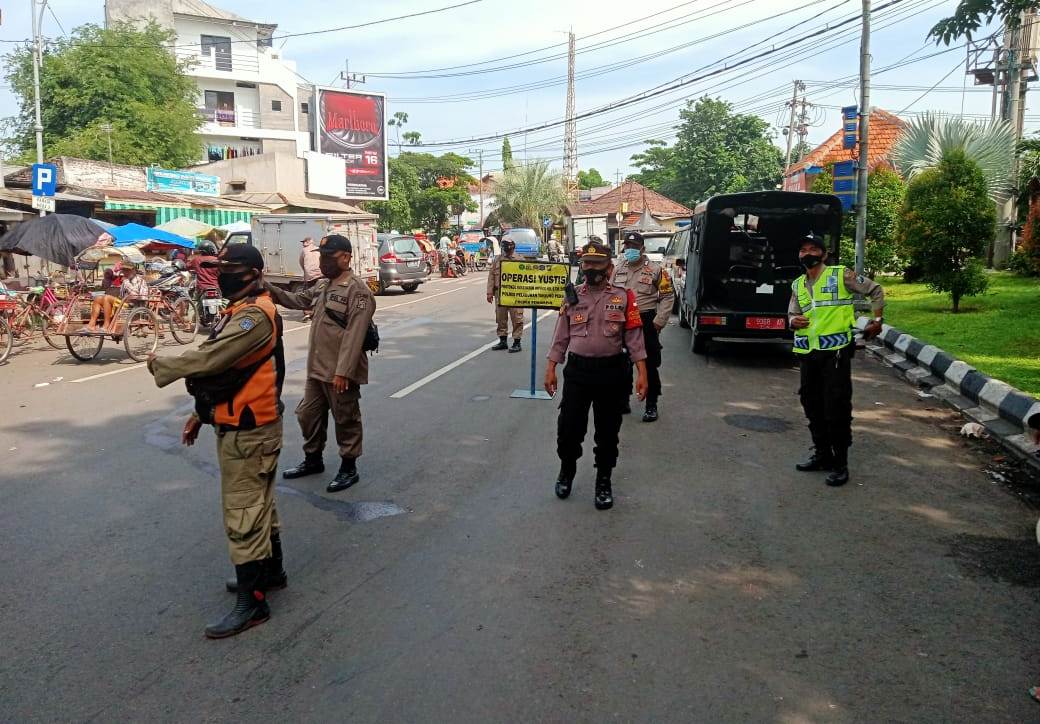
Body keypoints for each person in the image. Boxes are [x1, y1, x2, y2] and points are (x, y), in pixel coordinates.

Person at [146, 244, 287, 639]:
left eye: (232, 268)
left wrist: (165, 365)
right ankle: (272, 573)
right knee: (258, 505)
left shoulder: (255, 316)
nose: (223, 274)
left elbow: (213, 360)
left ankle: (253, 600)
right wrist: (200, 414)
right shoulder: (240, 311)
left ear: (254, 273)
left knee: (243, 513)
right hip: (244, 424)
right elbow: (233, 376)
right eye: (220, 267)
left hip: (250, 430)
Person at [264, 235, 377, 493]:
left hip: (340, 371)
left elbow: (354, 335)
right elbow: (298, 301)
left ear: (346, 257)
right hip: (317, 369)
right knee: (308, 415)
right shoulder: (324, 286)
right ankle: (313, 460)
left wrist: (343, 372)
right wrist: (268, 287)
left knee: (346, 418)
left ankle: (349, 466)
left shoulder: (357, 290)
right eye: (322, 256)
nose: (323, 262)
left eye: (329, 257)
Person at [545, 240, 648, 510]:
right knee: (569, 429)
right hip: (578, 373)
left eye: (597, 264)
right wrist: (551, 368)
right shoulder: (572, 296)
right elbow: (561, 336)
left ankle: (604, 480)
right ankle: (566, 471)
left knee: (607, 433)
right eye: (586, 264)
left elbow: (635, 338)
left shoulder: (624, 297)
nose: (590, 270)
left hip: (611, 373)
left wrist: (642, 373)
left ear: (609, 267)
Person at [789, 233, 884, 487]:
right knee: (811, 403)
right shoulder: (798, 284)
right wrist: (792, 321)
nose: (807, 253)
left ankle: (840, 463)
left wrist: (878, 320)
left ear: (823, 254)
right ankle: (822, 455)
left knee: (836, 407)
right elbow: (793, 313)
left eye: (812, 249)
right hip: (808, 352)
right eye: (803, 249)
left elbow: (875, 290)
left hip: (836, 352)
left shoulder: (841, 275)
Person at [611, 231, 675, 422]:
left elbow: (667, 296)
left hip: (645, 321)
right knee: (622, 363)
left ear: (642, 249)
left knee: (649, 364)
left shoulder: (656, 270)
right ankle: (623, 401)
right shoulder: (619, 268)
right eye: (627, 246)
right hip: (622, 322)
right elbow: (610, 292)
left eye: (634, 247)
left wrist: (659, 322)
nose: (630, 250)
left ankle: (651, 404)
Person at [84, 263, 148, 332]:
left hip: (133, 306)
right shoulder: (125, 281)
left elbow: (142, 297)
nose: (125, 272)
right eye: (124, 270)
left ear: (134, 271)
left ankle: (106, 325)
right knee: (98, 299)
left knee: (107, 298)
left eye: (127, 270)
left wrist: (126, 284)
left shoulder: (141, 281)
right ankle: (91, 325)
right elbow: (121, 295)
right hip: (123, 303)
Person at [487, 237, 525, 352]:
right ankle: (503, 341)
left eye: (507, 247)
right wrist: (489, 292)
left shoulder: (520, 259)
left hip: (515, 294)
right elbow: (491, 276)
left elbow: (527, 277)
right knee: (500, 318)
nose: (505, 250)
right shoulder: (497, 260)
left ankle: (517, 342)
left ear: (512, 247)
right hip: (500, 293)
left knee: (517, 318)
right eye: (504, 247)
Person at [298, 237, 322, 320]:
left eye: (304, 242)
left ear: (308, 242)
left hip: (310, 276)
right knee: (320, 293)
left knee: (307, 294)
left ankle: (308, 313)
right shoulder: (318, 249)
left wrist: (306, 271)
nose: (303, 244)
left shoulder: (304, 250)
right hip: (321, 275)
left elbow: (301, 262)